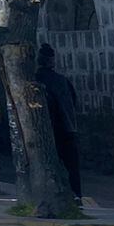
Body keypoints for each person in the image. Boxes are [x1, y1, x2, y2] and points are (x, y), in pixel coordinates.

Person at [35, 44, 82, 201]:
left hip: (48, 129)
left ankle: (54, 195)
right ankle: (76, 196)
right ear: (52, 61)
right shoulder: (62, 81)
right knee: (71, 166)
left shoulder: (35, 81)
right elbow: (73, 101)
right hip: (67, 128)